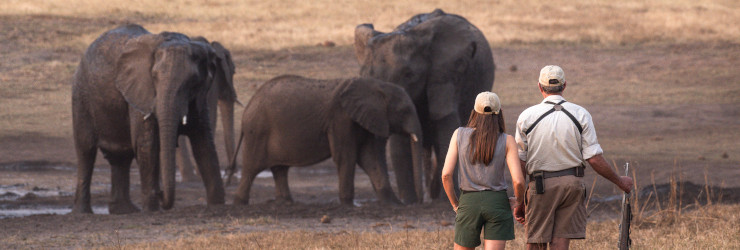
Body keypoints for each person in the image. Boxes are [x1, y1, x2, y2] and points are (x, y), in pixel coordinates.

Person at [514, 65, 633, 250]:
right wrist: (620, 181)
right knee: (561, 242)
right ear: (565, 85)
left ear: (539, 87)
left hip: (539, 185)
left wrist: (521, 200)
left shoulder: (526, 117)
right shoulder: (581, 114)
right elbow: (594, 159)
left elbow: (520, 161)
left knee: (535, 242)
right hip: (572, 184)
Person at [442, 92, 526, 250]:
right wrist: (518, 201)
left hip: (468, 202)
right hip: (497, 202)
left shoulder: (458, 134)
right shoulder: (507, 140)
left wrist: (455, 204)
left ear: (474, 112)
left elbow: (446, 175)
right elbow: (519, 181)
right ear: (499, 112)